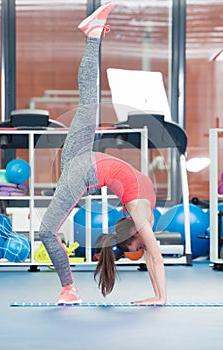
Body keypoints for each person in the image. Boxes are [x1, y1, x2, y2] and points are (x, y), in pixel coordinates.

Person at [39, 2, 166, 305]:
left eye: (141, 243)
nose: (148, 242)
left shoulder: (140, 209)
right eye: (141, 244)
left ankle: (68, 288)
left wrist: (160, 296)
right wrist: (159, 299)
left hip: (82, 164)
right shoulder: (138, 210)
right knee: (88, 102)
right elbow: (154, 256)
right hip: (81, 161)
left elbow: (153, 255)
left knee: (47, 232)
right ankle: (93, 33)